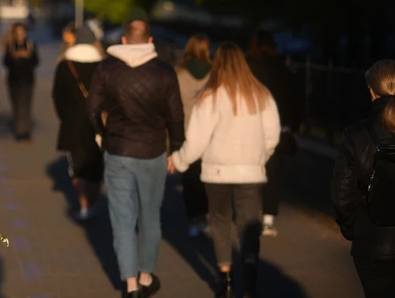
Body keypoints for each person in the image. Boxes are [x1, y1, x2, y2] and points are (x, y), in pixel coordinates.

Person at [168, 43, 280, 298]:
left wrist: (180, 160)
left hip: (216, 171)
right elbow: (272, 135)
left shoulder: (209, 96)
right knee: (249, 224)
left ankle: (226, 281)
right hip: (251, 171)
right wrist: (260, 157)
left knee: (219, 223)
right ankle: (250, 279)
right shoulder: (261, 94)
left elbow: (196, 140)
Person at [89, 17, 183, 298]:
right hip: (153, 151)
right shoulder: (165, 72)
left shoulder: (106, 68)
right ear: (151, 41)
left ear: (124, 40)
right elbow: (176, 116)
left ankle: (129, 285)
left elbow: (91, 109)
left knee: (122, 220)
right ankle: (145, 276)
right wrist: (176, 148)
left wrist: (101, 134)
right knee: (150, 217)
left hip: (117, 150)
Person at [332, 59, 395, 298]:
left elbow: (342, 196)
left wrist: (355, 230)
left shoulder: (354, 135)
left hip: (371, 242)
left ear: (370, 91)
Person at [247, 30, 304, 238]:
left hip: (252, 124)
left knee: (252, 170)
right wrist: (294, 127)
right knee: (274, 173)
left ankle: (249, 213)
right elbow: (296, 100)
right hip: (280, 126)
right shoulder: (283, 67)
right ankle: (268, 217)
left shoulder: (248, 65)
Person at [53, 23, 106, 220]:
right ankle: (92, 201)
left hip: (72, 122)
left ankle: (83, 204)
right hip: (97, 122)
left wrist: (64, 116)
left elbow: (57, 95)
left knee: (77, 165)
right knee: (95, 164)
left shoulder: (64, 64)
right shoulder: (103, 65)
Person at [175, 34, 212, 237]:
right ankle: (204, 215)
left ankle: (192, 219)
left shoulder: (179, 73)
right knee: (206, 176)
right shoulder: (214, 74)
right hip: (208, 131)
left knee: (189, 179)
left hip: (186, 130)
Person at [3, 22, 39, 140]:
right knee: (17, 105)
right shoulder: (10, 45)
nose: (20, 35)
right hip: (13, 80)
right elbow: (5, 62)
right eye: (17, 32)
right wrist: (14, 56)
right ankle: (19, 129)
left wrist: (27, 56)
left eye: (22, 32)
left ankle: (26, 131)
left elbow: (36, 61)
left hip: (28, 79)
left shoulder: (31, 45)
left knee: (27, 105)